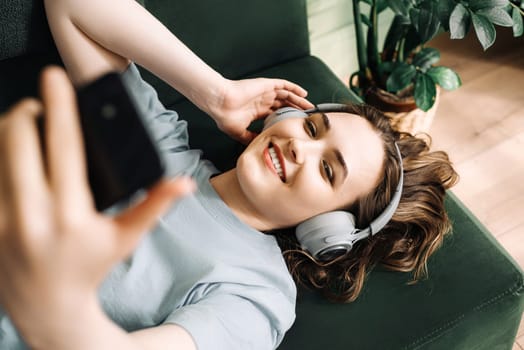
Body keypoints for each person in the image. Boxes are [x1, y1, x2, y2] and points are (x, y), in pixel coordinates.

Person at [0, 0, 458, 349]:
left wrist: (55, 303)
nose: (300, 144)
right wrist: (215, 93)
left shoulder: (255, 293)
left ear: (330, 226)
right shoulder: (158, 149)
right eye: (313, 127)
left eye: (326, 169)